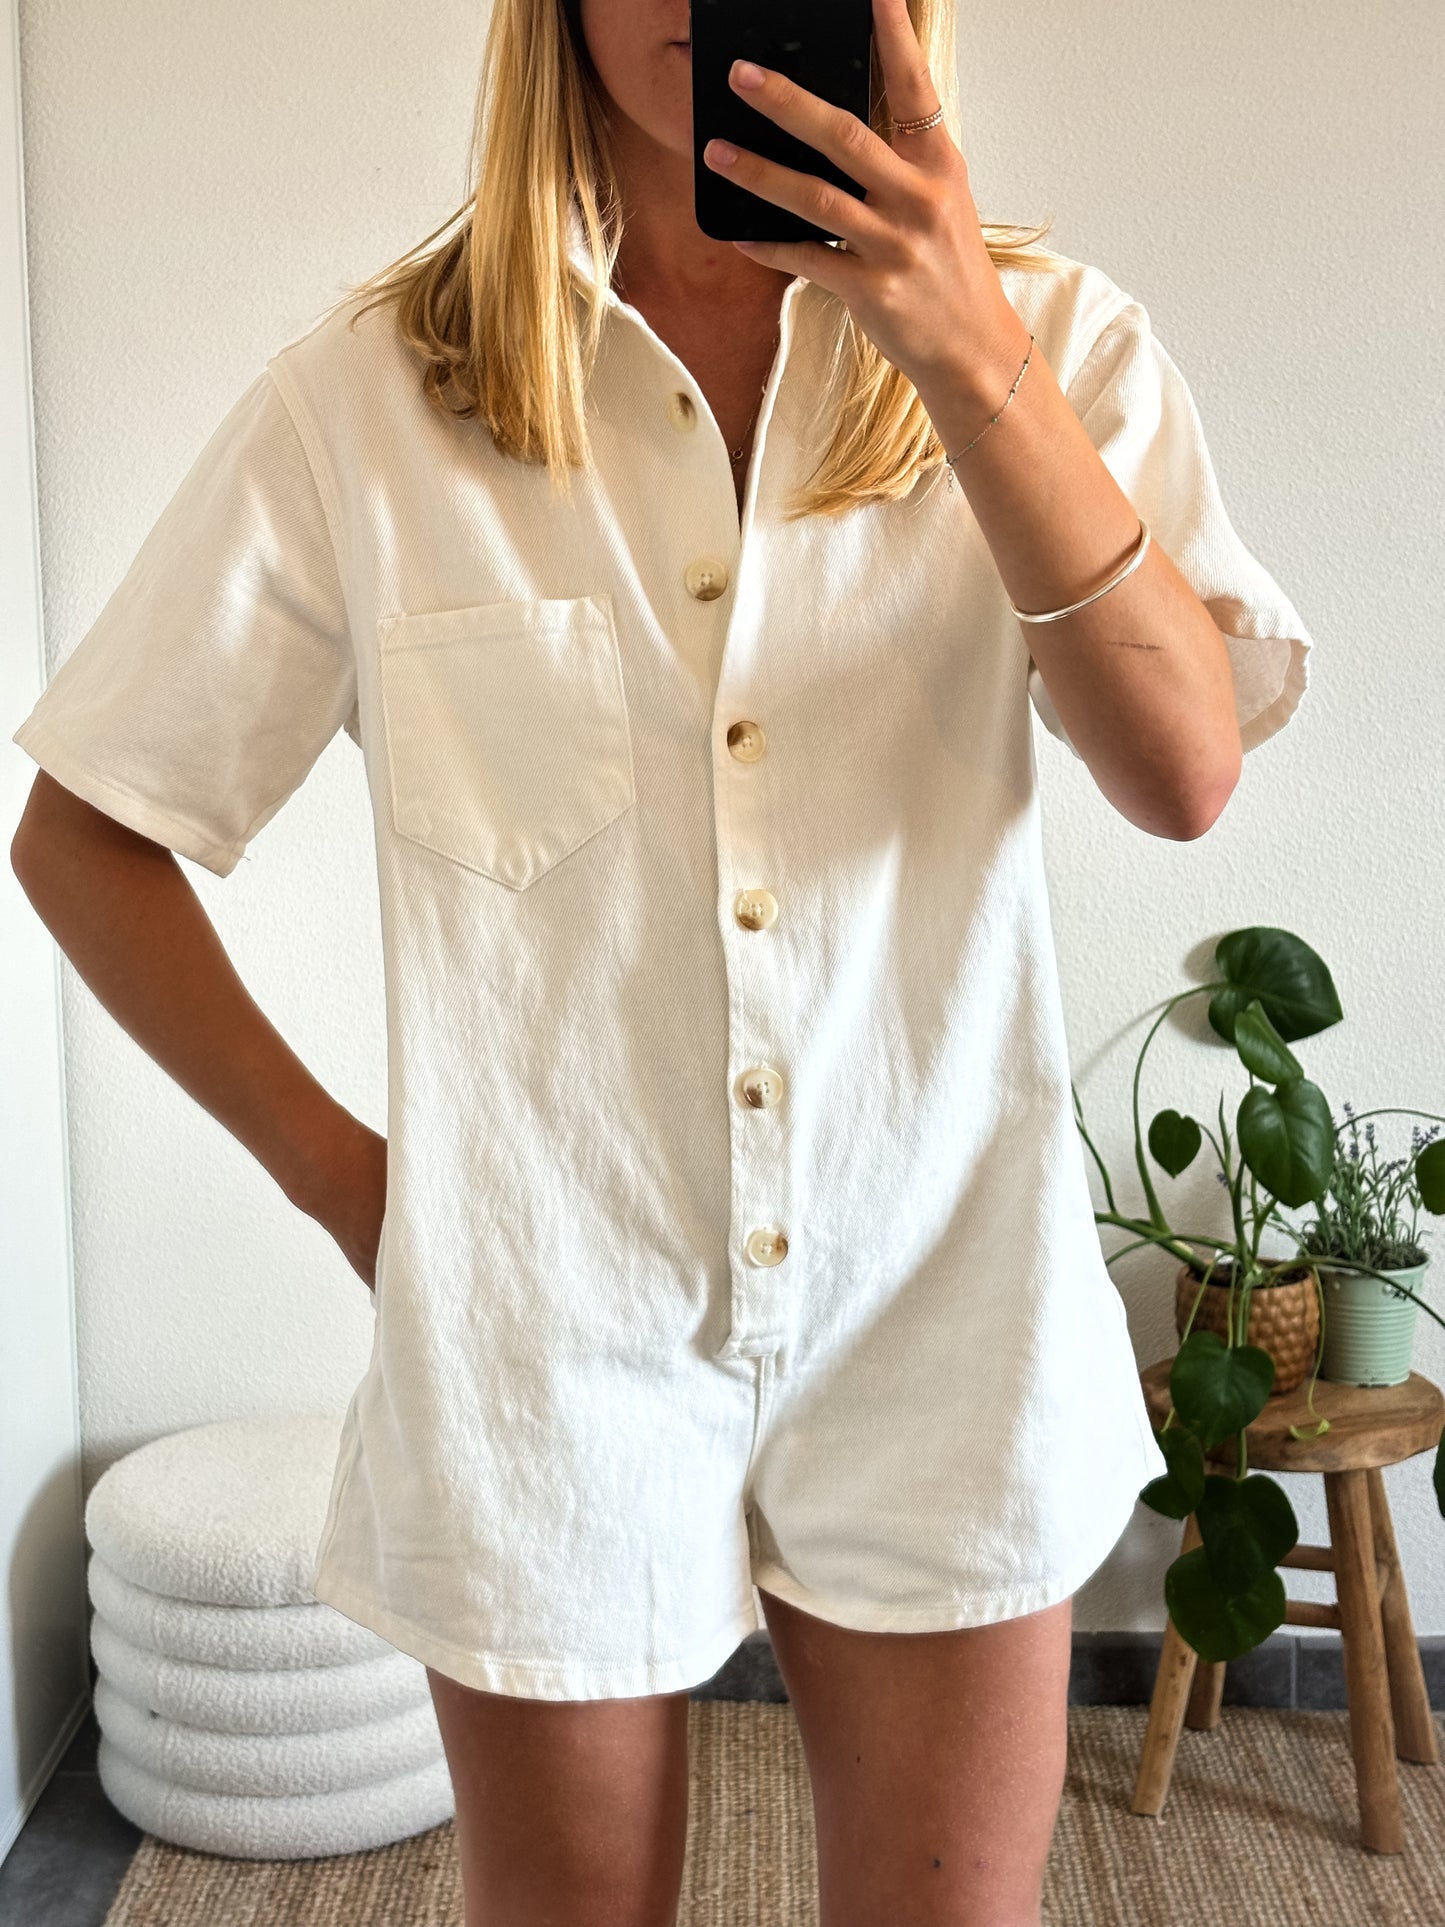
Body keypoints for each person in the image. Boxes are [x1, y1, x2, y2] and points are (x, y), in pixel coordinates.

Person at [10, 0, 1313, 1921]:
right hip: (548, 1336)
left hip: (942, 1301)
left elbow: (1183, 774)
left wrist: (966, 353)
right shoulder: (377, 399)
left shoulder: (1056, 339)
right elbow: (87, 834)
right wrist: (352, 1187)